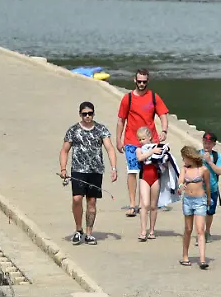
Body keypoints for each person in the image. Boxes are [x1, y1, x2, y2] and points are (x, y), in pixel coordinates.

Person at [59, 101, 119, 245]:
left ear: (93, 114)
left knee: (91, 202)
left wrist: (113, 168)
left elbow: (110, 148)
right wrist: (63, 168)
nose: (87, 116)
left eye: (90, 113)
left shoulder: (101, 129)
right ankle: (78, 230)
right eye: (84, 114)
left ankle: (89, 233)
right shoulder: (73, 130)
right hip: (78, 170)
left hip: (95, 171)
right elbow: (64, 150)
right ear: (80, 114)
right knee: (77, 199)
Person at [114, 69, 169, 218]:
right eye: (139, 81)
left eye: (144, 81)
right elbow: (121, 120)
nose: (142, 84)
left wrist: (164, 130)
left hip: (151, 141)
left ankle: (150, 202)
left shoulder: (153, 97)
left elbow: (163, 115)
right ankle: (133, 204)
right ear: (135, 80)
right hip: (132, 141)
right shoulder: (128, 98)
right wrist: (118, 140)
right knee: (132, 171)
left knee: (151, 172)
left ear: (148, 81)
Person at [178, 146, 212, 269]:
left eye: (184, 158)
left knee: (200, 230)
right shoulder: (184, 169)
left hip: (200, 201)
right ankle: (185, 256)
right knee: (188, 229)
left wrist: (208, 199)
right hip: (187, 200)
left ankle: (202, 259)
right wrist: (180, 187)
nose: (183, 161)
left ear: (190, 157)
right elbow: (180, 181)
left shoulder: (203, 170)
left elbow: (207, 185)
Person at [134, 127, 163, 242]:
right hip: (144, 177)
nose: (141, 141)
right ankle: (143, 231)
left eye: (143, 139)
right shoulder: (139, 149)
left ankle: (151, 230)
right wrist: (151, 152)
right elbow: (140, 158)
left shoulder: (156, 146)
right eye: (139, 139)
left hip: (155, 177)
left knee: (153, 205)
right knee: (144, 204)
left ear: (149, 137)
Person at [201, 131, 221, 240]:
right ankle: (200, 233)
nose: (207, 145)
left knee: (210, 212)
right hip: (199, 189)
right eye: (205, 142)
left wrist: (209, 162)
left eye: (209, 143)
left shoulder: (216, 156)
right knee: (199, 212)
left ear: (214, 144)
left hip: (213, 188)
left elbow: (219, 171)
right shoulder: (197, 154)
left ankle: (207, 231)